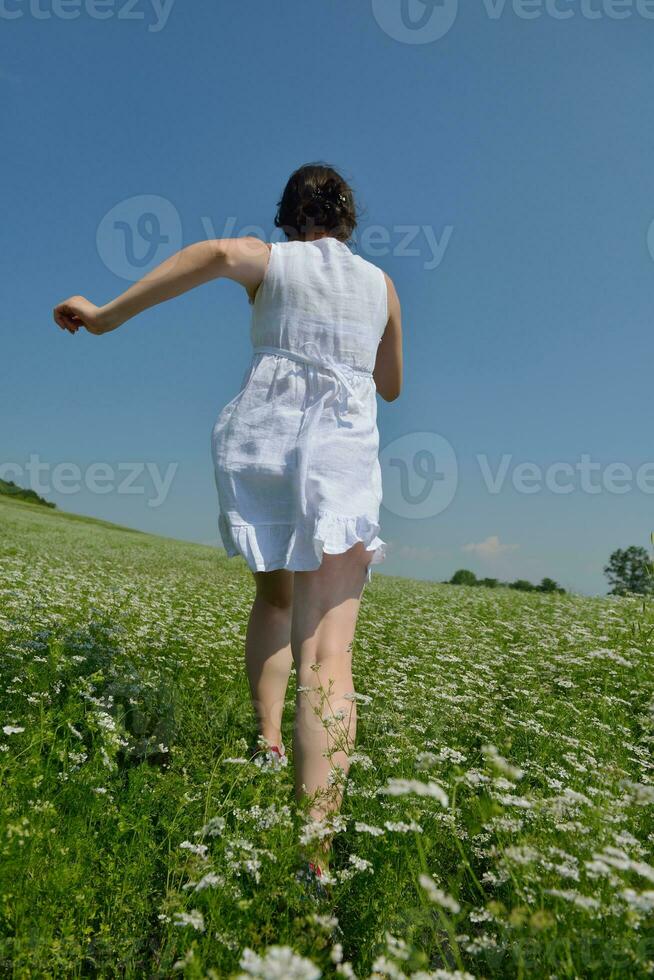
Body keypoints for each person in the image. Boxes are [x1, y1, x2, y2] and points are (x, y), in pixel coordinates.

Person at [53, 162, 403, 887]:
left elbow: (215, 256)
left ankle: (268, 741)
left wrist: (106, 313)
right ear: (347, 221)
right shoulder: (382, 285)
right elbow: (390, 384)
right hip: (337, 456)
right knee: (328, 656)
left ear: (289, 217)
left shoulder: (269, 259)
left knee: (275, 599)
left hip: (264, 447)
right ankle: (314, 856)